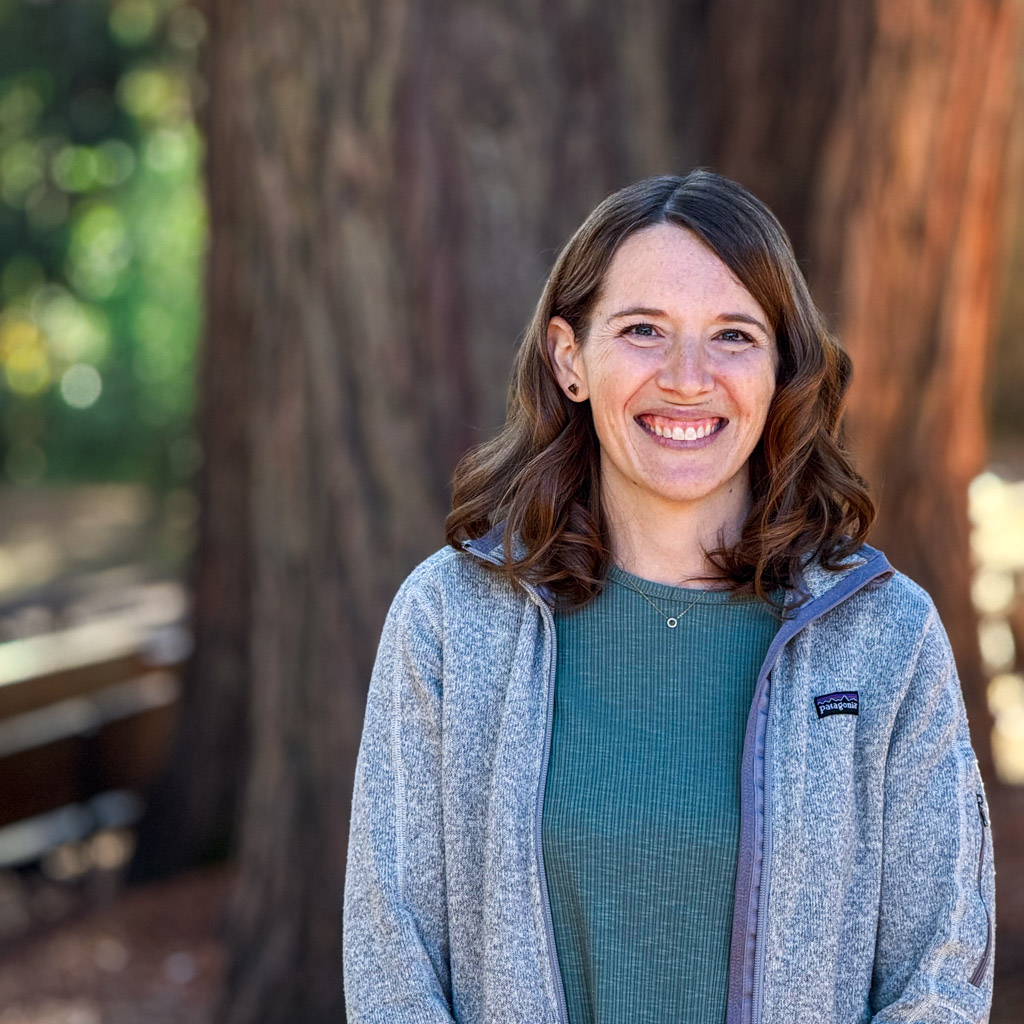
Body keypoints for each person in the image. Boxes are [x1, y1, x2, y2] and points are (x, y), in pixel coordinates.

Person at [342, 170, 995, 1024]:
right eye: (644, 330)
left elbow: (942, 970)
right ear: (570, 358)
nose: (688, 378)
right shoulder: (452, 618)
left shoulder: (882, 632)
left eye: (733, 335)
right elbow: (391, 961)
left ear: (779, 370)